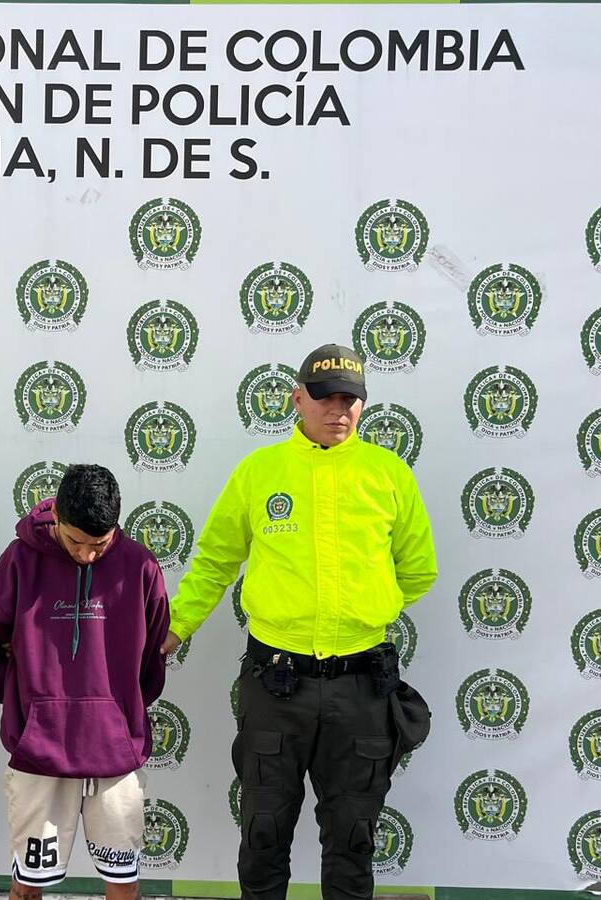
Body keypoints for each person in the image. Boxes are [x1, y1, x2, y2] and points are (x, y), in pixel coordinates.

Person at [162, 344, 437, 900]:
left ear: (363, 405)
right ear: (297, 399)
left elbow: (417, 569)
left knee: (353, 839)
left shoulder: (389, 475)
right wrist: (176, 626)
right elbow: (216, 560)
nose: (338, 410)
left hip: (362, 688)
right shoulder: (259, 472)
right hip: (276, 685)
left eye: (349, 399)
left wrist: (363, 609)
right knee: (263, 833)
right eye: (325, 397)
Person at [0, 464, 170, 900]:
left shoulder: (139, 565)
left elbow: (152, 654)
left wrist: (121, 711)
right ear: (56, 518)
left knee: (123, 883)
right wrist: (28, 710)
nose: (87, 555)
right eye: (75, 541)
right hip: (40, 751)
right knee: (28, 882)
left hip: (115, 751)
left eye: (99, 545)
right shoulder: (20, 560)